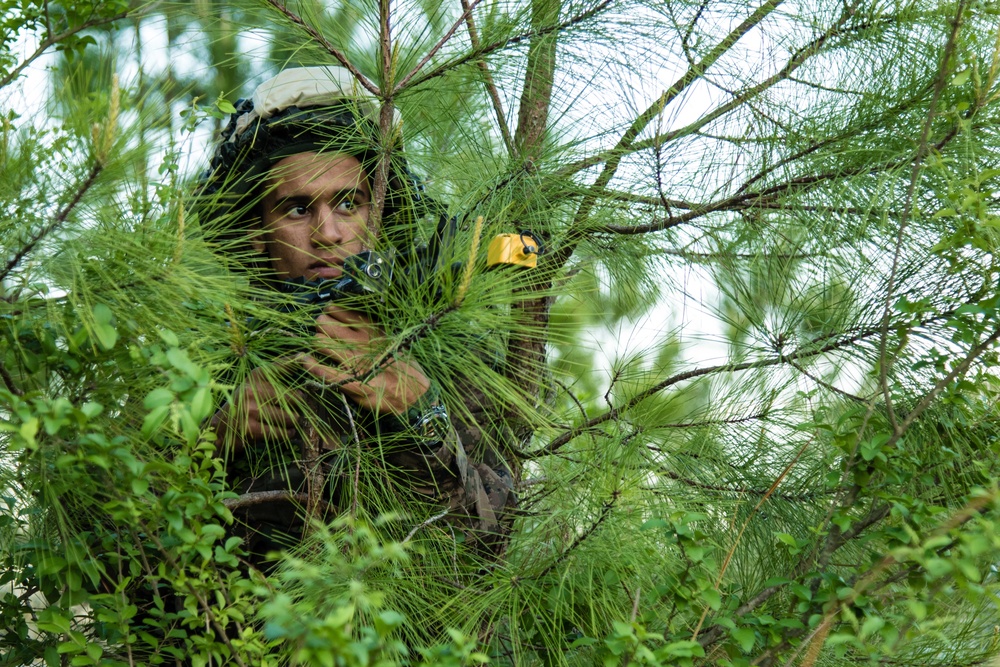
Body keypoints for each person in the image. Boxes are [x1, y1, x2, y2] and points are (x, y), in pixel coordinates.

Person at [199, 66, 515, 566]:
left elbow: (491, 553)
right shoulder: (202, 359)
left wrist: (421, 416)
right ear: (256, 233)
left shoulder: (447, 352)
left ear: (379, 217)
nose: (328, 233)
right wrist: (216, 434)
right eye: (297, 210)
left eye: (349, 203)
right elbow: (116, 563)